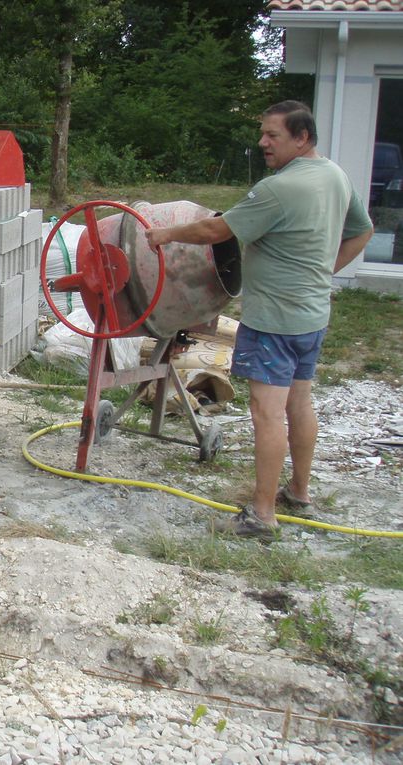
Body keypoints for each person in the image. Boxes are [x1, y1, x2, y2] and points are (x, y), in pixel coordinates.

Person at [145, 100, 373, 539]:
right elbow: (362, 230)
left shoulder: (279, 189)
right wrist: (325, 271)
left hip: (273, 321)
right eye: (263, 133)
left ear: (302, 137)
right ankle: (299, 493)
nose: (262, 142)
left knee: (267, 414)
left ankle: (261, 516)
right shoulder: (335, 176)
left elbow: (216, 231)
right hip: (311, 315)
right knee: (299, 404)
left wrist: (165, 233)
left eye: (273, 135)